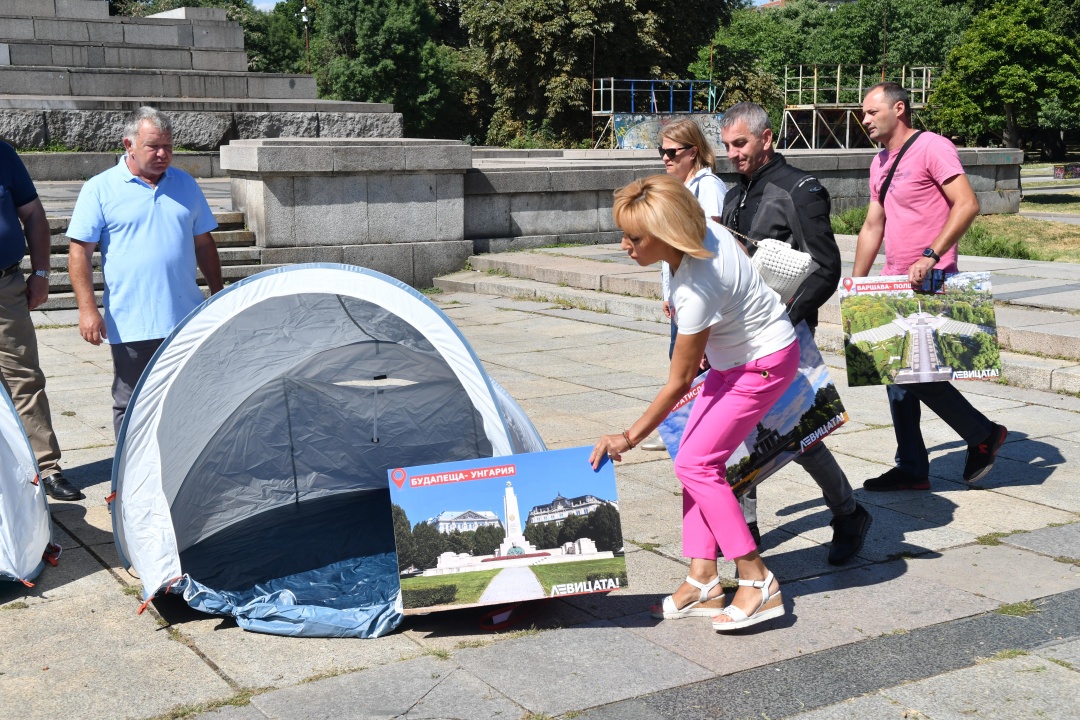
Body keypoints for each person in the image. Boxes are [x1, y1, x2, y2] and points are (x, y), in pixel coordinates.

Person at [591, 174, 798, 632]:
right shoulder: (709, 230)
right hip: (740, 360)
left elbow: (678, 380)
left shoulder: (695, 289)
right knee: (692, 457)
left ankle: (757, 579)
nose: (624, 244)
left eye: (634, 237)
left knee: (696, 464)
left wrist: (627, 437)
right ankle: (704, 579)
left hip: (762, 364)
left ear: (666, 235)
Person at [719, 101, 870, 565]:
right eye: (726, 146)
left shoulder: (800, 189)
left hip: (783, 337)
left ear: (767, 139)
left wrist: (784, 318)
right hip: (734, 335)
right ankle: (743, 529)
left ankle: (848, 513)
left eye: (740, 143)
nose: (733, 154)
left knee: (798, 434)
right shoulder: (732, 194)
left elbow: (826, 268)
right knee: (732, 435)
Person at [853, 82, 1007, 490]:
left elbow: (967, 203)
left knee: (916, 376)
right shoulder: (879, 162)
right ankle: (913, 468)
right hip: (894, 279)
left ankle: (982, 434)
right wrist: (857, 283)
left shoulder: (932, 147)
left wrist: (932, 254)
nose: (864, 119)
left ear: (898, 108)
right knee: (896, 376)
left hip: (932, 277)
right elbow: (873, 225)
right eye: (863, 113)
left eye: (871, 111)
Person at [67, 107, 224, 437]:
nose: (164, 154)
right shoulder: (100, 189)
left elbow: (204, 244)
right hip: (131, 322)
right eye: (154, 146)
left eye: (168, 146)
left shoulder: (185, 184)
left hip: (185, 319)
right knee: (131, 404)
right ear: (129, 145)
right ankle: (128, 483)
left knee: (188, 399)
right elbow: (79, 253)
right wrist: (87, 309)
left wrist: (218, 292)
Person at [0, 142, 83, 500]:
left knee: (24, 376)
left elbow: (33, 214)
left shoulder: (2, 154)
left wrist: (42, 272)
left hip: (5, 285)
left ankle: (46, 468)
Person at [639, 119, 727, 453]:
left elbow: (709, 250)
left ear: (692, 152)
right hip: (684, 294)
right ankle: (681, 426)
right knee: (681, 361)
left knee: (692, 365)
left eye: (672, 152)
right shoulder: (682, 188)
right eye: (662, 151)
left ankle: (684, 428)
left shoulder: (708, 187)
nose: (665, 158)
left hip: (702, 295)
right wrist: (669, 293)